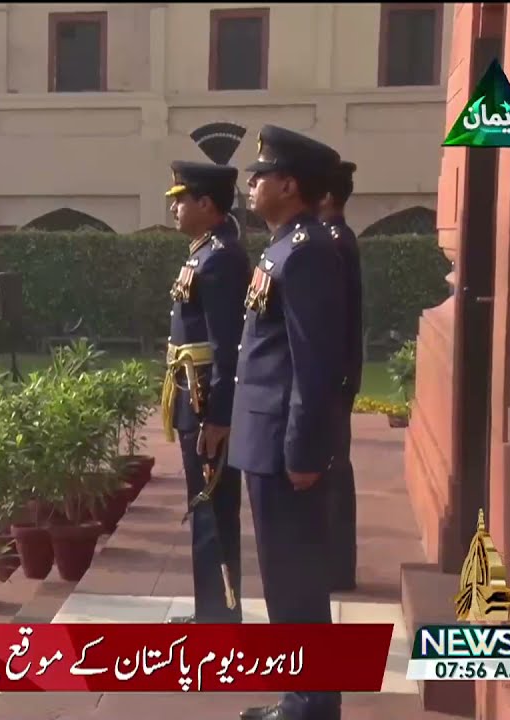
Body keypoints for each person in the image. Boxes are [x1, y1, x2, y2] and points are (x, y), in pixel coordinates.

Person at [230, 125, 346, 720]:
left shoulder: (306, 253)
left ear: (290, 184)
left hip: (284, 447)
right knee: (283, 582)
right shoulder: (283, 248)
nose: (252, 183)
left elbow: (312, 362)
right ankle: (301, 698)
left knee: (296, 582)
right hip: (264, 440)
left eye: (262, 174)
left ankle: (310, 705)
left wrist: (302, 453)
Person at [162, 161, 250, 624]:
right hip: (190, 396)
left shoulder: (222, 258)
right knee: (204, 506)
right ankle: (212, 612)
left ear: (206, 204)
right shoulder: (204, 253)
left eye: (182, 198)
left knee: (213, 509)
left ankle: (220, 618)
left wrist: (218, 417)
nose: (174, 206)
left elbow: (227, 345)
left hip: (204, 403)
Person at [319, 160, 363, 593]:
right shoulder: (339, 239)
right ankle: (335, 564)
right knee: (334, 466)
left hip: (332, 375)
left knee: (332, 468)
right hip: (339, 373)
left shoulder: (333, 241)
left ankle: (335, 568)